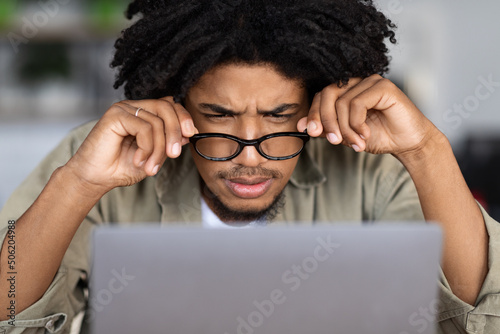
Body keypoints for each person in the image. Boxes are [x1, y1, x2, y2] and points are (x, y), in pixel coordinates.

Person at [1, 0, 499, 333]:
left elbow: (486, 319)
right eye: (218, 116)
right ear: (175, 104)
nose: (249, 155)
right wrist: (79, 182)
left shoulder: (373, 168)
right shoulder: (99, 158)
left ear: (314, 105)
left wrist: (426, 150)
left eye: (279, 117)